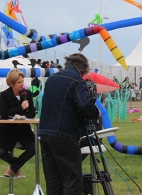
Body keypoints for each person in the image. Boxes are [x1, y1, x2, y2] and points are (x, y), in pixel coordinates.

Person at [38, 53, 100, 195]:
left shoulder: (51, 79)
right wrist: (95, 112)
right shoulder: (77, 81)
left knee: (53, 181)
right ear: (82, 69)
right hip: (64, 135)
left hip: (45, 133)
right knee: (72, 180)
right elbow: (84, 105)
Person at [0, 69, 36, 177]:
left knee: (33, 149)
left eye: (23, 81)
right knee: (1, 152)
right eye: (19, 82)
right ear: (12, 83)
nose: (22, 84)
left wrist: (22, 117)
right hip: (7, 130)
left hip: (23, 130)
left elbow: (32, 113)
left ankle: (12, 168)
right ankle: (16, 167)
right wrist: (19, 108)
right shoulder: (4, 95)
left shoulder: (27, 94)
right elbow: (3, 114)